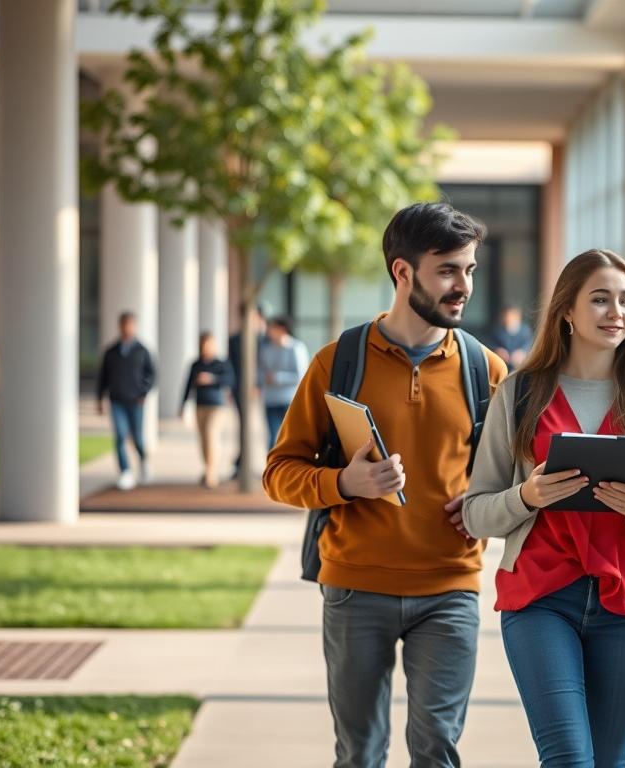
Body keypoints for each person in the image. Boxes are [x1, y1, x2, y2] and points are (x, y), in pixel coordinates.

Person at [263, 202, 507, 767]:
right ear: (403, 272)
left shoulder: (486, 371)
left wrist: (484, 498)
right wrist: (344, 482)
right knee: (359, 754)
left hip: (450, 588)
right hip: (354, 588)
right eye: (447, 270)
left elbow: (516, 480)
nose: (462, 285)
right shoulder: (336, 362)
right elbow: (279, 473)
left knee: (436, 750)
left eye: (469, 270)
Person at [465, 249, 625, 767]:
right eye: (601, 300)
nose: (617, 312)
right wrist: (528, 496)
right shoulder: (521, 393)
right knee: (568, 758)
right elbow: (476, 511)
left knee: (609, 763)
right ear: (566, 310)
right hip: (541, 599)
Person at [97, 311, 157, 491]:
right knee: (120, 436)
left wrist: (143, 392)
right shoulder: (111, 351)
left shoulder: (142, 350)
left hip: (136, 401)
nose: (127, 328)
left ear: (134, 326)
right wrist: (99, 398)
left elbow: (152, 374)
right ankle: (125, 472)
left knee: (137, 438)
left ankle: (143, 461)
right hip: (117, 401)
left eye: (130, 324)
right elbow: (103, 377)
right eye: (124, 324)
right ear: (120, 326)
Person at [182, 332, 236, 488]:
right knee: (203, 439)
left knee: (211, 435)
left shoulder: (221, 363)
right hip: (200, 405)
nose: (206, 347)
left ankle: (211, 473)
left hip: (217, 405)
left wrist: (212, 379)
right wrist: (183, 404)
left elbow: (230, 380)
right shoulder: (196, 364)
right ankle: (208, 468)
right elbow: (188, 385)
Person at [258, 315, 309, 452]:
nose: (269, 331)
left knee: (291, 437)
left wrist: (277, 378)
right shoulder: (266, 349)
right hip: (270, 399)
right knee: (272, 437)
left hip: (289, 400)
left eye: (272, 328)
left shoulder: (296, 348)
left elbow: (301, 375)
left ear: (282, 329)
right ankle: (272, 470)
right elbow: (259, 371)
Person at [228, 302, 266, 478]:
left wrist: (258, 385)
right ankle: (242, 462)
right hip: (239, 389)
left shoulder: (261, 339)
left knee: (257, 427)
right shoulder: (234, 339)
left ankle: (244, 461)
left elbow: (263, 366)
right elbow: (231, 366)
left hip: (259, 389)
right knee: (244, 426)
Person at [489, 304, 533, 369]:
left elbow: (530, 344)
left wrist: (522, 352)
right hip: (502, 366)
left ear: (518, 317)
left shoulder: (525, 331)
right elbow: (489, 343)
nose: (509, 319)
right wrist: (497, 350)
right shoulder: (497, 331)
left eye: (512, 316)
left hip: (521, 366)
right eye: (506, 316)